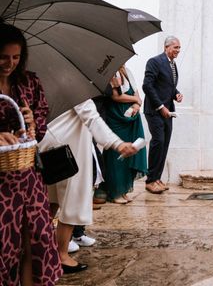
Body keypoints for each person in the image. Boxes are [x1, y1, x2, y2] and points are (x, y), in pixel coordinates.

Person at [0, 22, 62, 285]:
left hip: (28, 178)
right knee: (4, 247)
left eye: (15, 57)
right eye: (3, 57)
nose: (9, 63)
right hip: (2, 184)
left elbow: (41, 126)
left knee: (34, 240)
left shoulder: (29, 82)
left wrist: (32, 125)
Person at [44, 99, 137, 274]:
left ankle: (37, 248)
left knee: (49, 202)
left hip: (49, 144)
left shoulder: (51, 81)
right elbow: (91, 117)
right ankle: (61, 256)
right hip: (70, 149)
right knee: (73, 202)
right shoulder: (77, 89)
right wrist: (118, 144)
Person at [143, 36, 183, 194]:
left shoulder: (172, 64)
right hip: (154, 111)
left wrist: (177, 94)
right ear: (166, 47)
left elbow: (168, 87)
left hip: (168, 111)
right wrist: (160, 107)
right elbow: (147, 86)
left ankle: (157, 178)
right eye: (175, 48)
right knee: (158, 141)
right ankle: (150, 180)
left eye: (179, 48)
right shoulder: (154, 62)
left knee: (165, 144)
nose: (178, 51)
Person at [102, 65, 148, 203]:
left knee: (128, 156)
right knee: (116, 156)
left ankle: (124, 191)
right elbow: (116, 96)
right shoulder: (110, 72)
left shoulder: (128, 71)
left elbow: (136, 93)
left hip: (130, 118)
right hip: (116, 118)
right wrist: (135, 100)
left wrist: (137, 105)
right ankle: (114, 192)